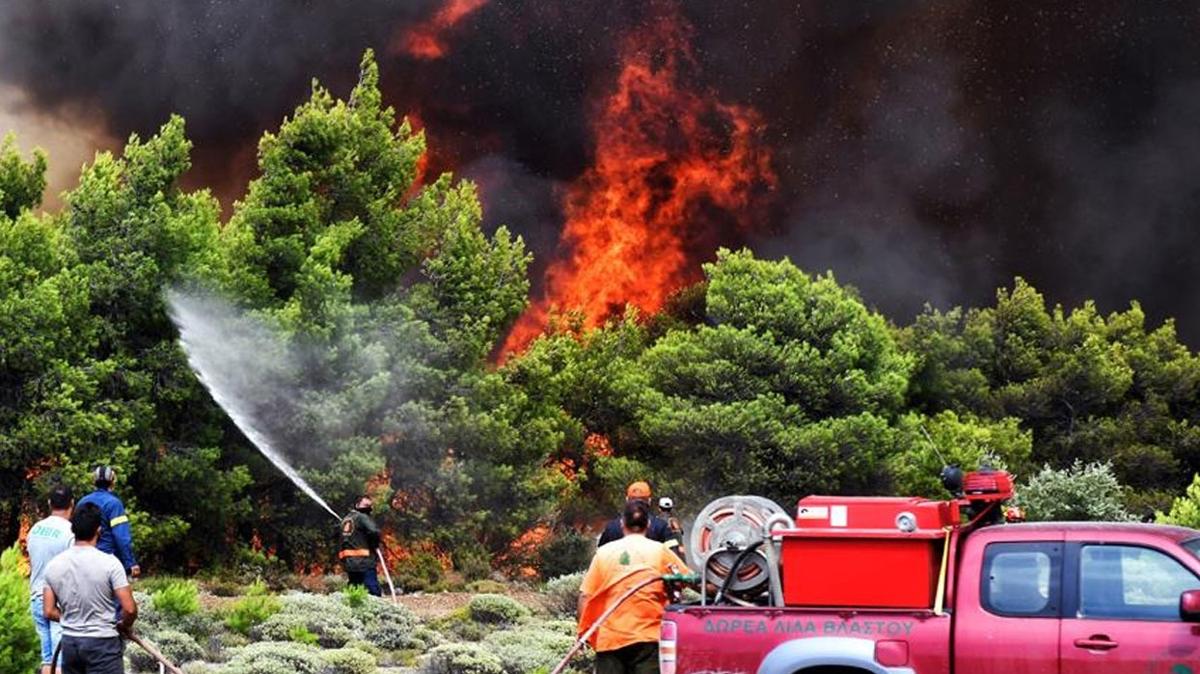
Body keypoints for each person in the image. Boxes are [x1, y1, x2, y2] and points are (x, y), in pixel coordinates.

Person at [578, 500, 690, 674]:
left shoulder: (603, 553)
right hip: (647, 639)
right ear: (648, 524)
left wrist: (584, 632)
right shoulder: (660, 551)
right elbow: (690, 580)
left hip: (610, 638)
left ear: (622, 523)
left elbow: (585, 595)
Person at [43, 502, 138, 674]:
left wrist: (72, 619)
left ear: (73, 530)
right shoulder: (110, 564)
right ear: (99, 530)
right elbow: (130, 609)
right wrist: (124, 625)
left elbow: (49, 611)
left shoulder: (53, 565)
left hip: (70, 644)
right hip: (103, 646)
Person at [28, 483, 75, 674]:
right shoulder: (71, 532)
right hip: (58, 602)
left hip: (36, 596)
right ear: (72, 503)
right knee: (61, 661)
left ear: (49, 503)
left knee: (47, 660)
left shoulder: (35, 529)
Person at [76, 466, 140, 578]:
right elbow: (121, 536)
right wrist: (131, 563)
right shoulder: (114, 504)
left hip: (82, 560)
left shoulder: (82, 502)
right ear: (112, 481)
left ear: (94, 481)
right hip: (108, 560)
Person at [597, 482, 682, 556]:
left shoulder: (612, 527)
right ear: (649, 501)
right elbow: (674, 556)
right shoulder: (662, 527)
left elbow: (600, 554)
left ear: (627, 500)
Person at [339, 495, 382, 596]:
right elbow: (374, 532)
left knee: (354, 592)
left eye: (370, 505)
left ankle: (354, 611)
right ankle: (375, 610)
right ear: (357, 505)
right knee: (372, 590)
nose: (369, 508)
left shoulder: (346, 520)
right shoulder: (362, 517)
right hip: (364, 562)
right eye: (366, 505)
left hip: (350, 564)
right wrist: (374, 543)